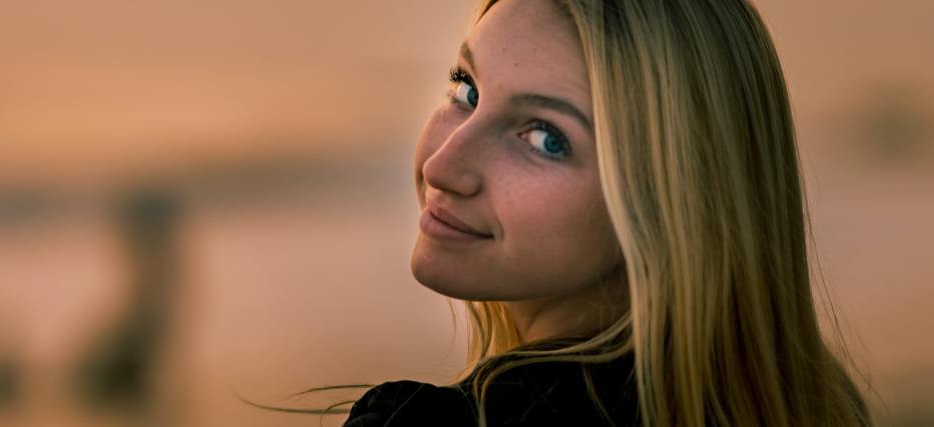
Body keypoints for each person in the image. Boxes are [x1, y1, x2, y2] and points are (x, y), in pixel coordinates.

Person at [271, 0, 870, 425]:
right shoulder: (809, 406)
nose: (442, 166)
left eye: (545, 137)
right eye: (466, 91)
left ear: (672, 202)